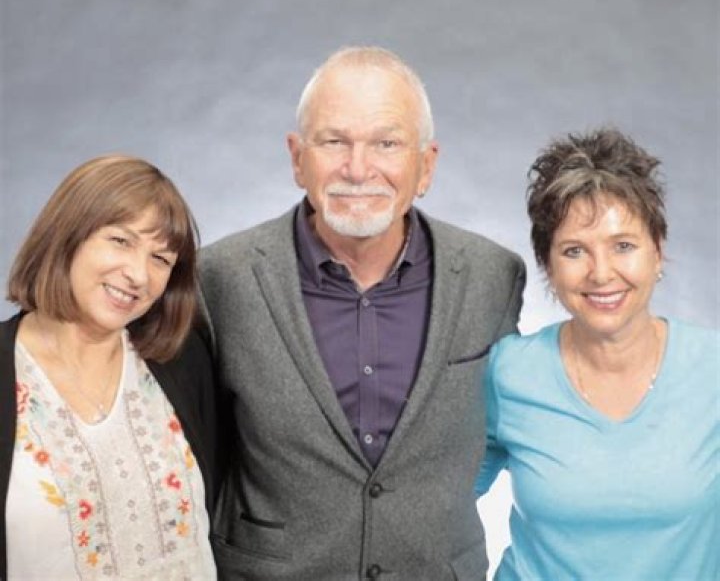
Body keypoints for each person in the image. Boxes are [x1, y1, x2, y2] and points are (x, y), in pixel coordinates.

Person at [200, 46, 525, 580]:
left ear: (426, 165)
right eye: (334, 141)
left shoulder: (493, 276)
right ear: (297, 158)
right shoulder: (219, 279)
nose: (357, 168)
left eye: (386, 143)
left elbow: (504, 427)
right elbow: (191, 451)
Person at [475, 128, 719, 580]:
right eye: (574, 251)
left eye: (623, 245)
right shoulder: (508, 372)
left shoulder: (713, 370)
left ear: (658, 251)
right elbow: (438, 502)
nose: (601, 273)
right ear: (548, 267)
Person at [0, 155, 218, 580]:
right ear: (67, 235)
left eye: (161, 259)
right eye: (120, 240)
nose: (138, 274)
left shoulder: (181, 361)